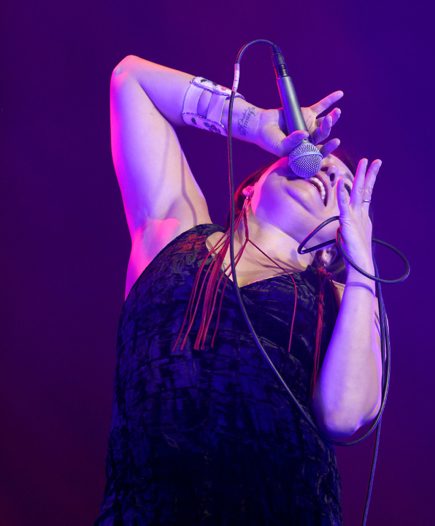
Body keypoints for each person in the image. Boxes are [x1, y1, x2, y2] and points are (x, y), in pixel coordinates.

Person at [95, 54, 382, 526]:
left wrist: (362, 266)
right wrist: (256, 123)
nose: (325, 176)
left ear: (334, 244)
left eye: (342, 186)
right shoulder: (174, 233)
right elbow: (131, 80)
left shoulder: (340, 299)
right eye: (319, 161)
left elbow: (344, 414)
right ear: (252, 186)